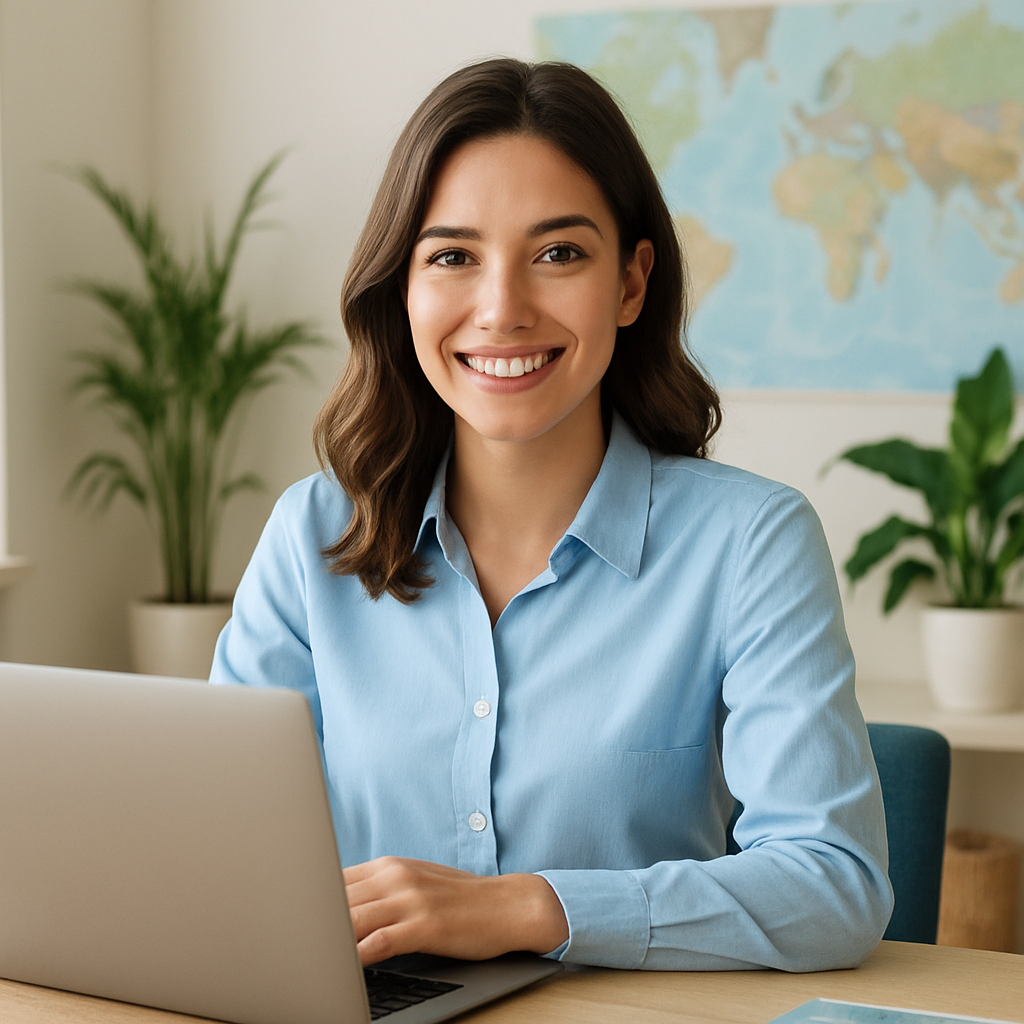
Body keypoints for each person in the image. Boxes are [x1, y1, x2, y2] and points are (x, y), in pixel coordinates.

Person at [211, 57, 892, 972]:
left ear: (631, 283)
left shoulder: (751, 544)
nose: (502, 310)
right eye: (453, 256)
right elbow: (221, 852)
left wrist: (532, 908)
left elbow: (834, 885)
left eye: (558, 254)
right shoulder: (311, 538)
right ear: (403, 286)